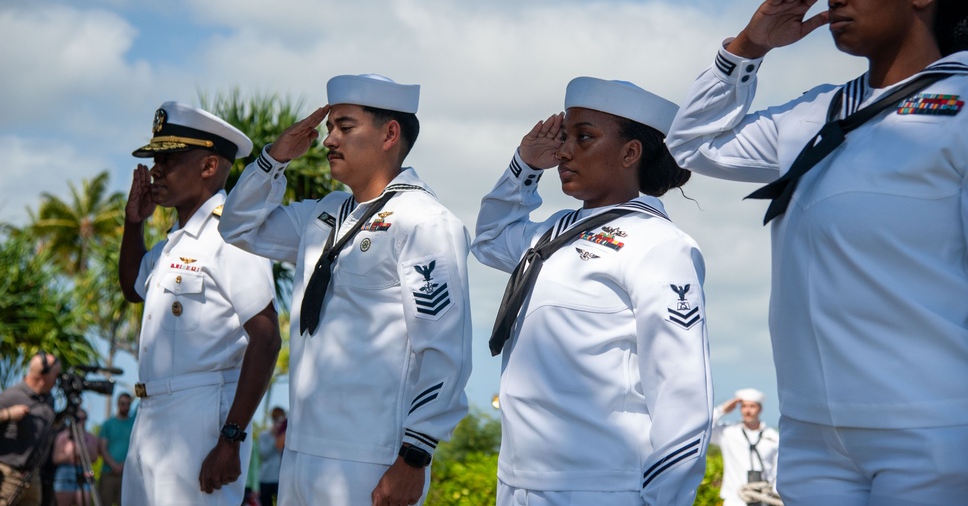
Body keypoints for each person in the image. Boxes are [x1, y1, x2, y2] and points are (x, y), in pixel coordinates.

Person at [666, 0, 968, 505]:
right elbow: (694, 144)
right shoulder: (819, 110)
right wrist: (748, 48)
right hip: (813, 434)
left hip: (933, 431)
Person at [219, 74, 473, 506]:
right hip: (301, 451)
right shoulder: (323, 215)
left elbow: (445, 348)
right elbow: (238, 226)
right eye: (329, 127)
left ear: (390, 133)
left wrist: (415, 455)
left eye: (345, 127)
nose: (328, 140)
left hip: (370, 457)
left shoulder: (424, 221)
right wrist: (274, 160)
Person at [472, 77, 713, 506]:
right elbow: (490, 241)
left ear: (630, 152)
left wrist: (664, 501)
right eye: (564, 137)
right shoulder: (552, 231)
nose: (564, 151)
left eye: (584, 137)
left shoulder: (659, 244)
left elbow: (682, 392)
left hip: (601, 486)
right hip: (517, 481)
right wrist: (523, 168)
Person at [119, 102, 281, 506]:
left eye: (169, 159)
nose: (156, 170)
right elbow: (132, 287)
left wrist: (230, 439)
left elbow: (265, 339)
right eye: (155, 159)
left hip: (202, 419)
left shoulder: (232, 235)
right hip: (152, 416)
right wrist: (133, 224)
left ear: (209, 166)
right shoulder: (173, 243)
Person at [0, 353, 61, 506]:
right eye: (56, 375)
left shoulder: (49, 399)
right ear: (43, 377)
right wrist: (8, 414)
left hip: (34, 477)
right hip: (8, 476)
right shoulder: (11, 396)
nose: (58, 380)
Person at [710, 389, 779, 506]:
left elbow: (777, 470)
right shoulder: (728, 432)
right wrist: (722, 410)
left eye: (752, 406)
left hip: (764, 499)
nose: (747, 411)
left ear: (760, 409)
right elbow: (703, 428)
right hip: (735, 500)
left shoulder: (773, 437)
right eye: (744, 406)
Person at [50, 409, 99, 506]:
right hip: (65, 475)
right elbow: (55, 458)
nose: (81, 422)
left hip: (84, 472)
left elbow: (94, 458)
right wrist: (70, 455)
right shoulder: (62, 436)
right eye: (78, 419)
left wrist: (83, 449)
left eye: (84, 419)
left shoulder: (90, 437)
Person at [97, 392, 134, 506]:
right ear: (118, 404)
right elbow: (102, 448)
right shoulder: (108, 424)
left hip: (127, 474)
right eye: (123, 403)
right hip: (108, 473)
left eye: (128, 404)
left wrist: (124, 465)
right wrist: (114, 465)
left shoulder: (134, 423)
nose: (125, 407)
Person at [255, 407, 285, 506]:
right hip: (265, 479)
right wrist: (274, 437)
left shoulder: (286, 436)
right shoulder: (264, 435)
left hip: (280, 479)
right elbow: (264, 454)